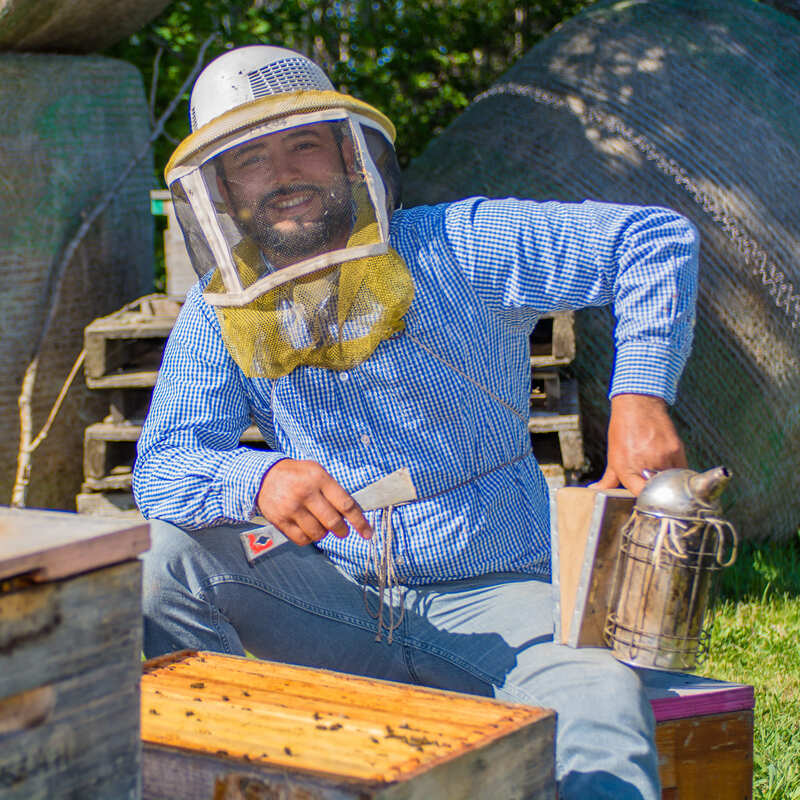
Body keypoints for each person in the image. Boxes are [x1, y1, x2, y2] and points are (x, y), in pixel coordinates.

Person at [133, 44, 697, 800]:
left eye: (304, 143)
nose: (284, 174)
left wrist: (639, 396)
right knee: (167, 563)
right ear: (223, 192)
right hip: (331, 598)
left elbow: (651, 241)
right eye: (250, 160)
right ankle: (201, 771)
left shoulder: (457, 243)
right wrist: (257, 475)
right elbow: (162, 468)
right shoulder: (217, 311)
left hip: (504, 594)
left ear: (348, 152)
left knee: (600, 696)